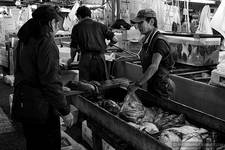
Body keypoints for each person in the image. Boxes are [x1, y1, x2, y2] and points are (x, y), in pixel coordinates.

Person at [12, 5, 74, 150]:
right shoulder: (46, 42)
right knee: (47, 144)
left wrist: (58, 86)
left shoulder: (24, 39)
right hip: (41, 108)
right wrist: (65, 111)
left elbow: (26, 71)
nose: (58, 27)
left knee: (33, 143)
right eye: (57, 24)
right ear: (51, 23)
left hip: (25, 102)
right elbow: (50, 82)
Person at [129, 9, 175, 99]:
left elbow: (154, 66)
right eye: (137, 24)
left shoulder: (159, 41)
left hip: (162, 89)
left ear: (151, 22)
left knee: (160, 112)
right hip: (153, 85)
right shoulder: (148, 39)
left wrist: (138, 84)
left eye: (141, 23)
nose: (138, 26)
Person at [67, 6, 117, 82]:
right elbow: (115, 39)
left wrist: (71, 59)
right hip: (100, 59)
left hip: (86, 59)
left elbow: (73, 47)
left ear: (79, 16)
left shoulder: (77, 27)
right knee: (102, 83)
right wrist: (109, 45)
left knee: (86, 85)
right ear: (90, 15)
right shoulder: (101, 26)